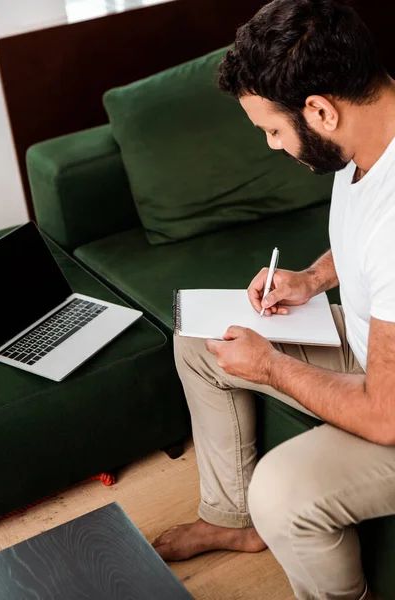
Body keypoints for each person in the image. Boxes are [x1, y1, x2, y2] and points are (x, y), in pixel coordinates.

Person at [152, 1, 395, 598]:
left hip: (389, 403)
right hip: (374, 350)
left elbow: (386, 416)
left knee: (282, 492)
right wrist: (312, 279)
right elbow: (370, 249)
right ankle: (230, 520)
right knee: (200, 339)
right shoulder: (369, 131)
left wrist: (271, 365)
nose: (271, 145)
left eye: (273, 130)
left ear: (319, 111)